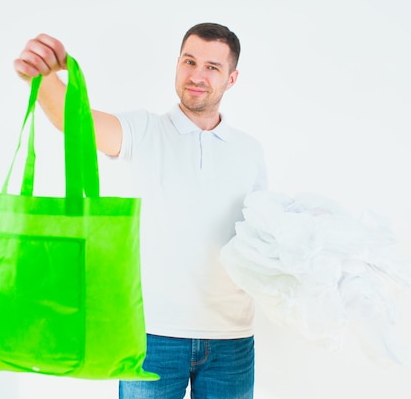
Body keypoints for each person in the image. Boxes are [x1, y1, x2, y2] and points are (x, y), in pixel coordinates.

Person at [14, 22, 268, 399]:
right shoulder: (145, 129)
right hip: (153, 337)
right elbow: (78, 124)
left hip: (231, 340)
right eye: (189, 61)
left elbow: (265, 234)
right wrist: (47, 78)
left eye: (212, 67)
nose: (197, 75)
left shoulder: (250, 150)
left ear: (231, 79)